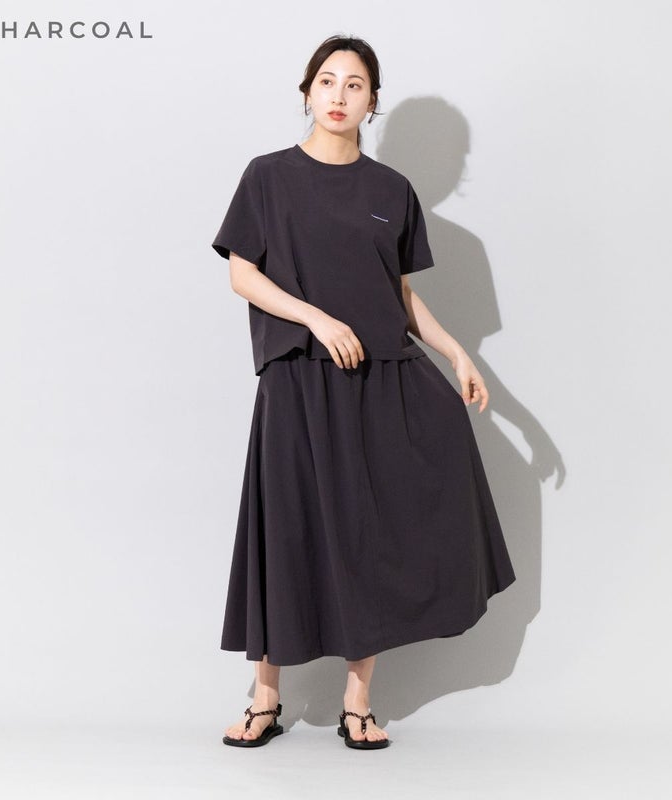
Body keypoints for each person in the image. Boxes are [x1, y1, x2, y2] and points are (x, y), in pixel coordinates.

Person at [210, 34, 516, 750]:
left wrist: (457, 352)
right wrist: (316, 319)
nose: (339, 95)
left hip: (377, 380)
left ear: (372, 101)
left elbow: (399, 295)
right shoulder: (268, 177)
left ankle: (358, 702)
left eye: (354, 85)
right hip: (296, 379)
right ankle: (265, 698)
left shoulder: (391, 192)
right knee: (285, 526)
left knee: (367, 533)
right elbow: (242, 274)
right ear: (306, 92)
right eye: (327, 81)